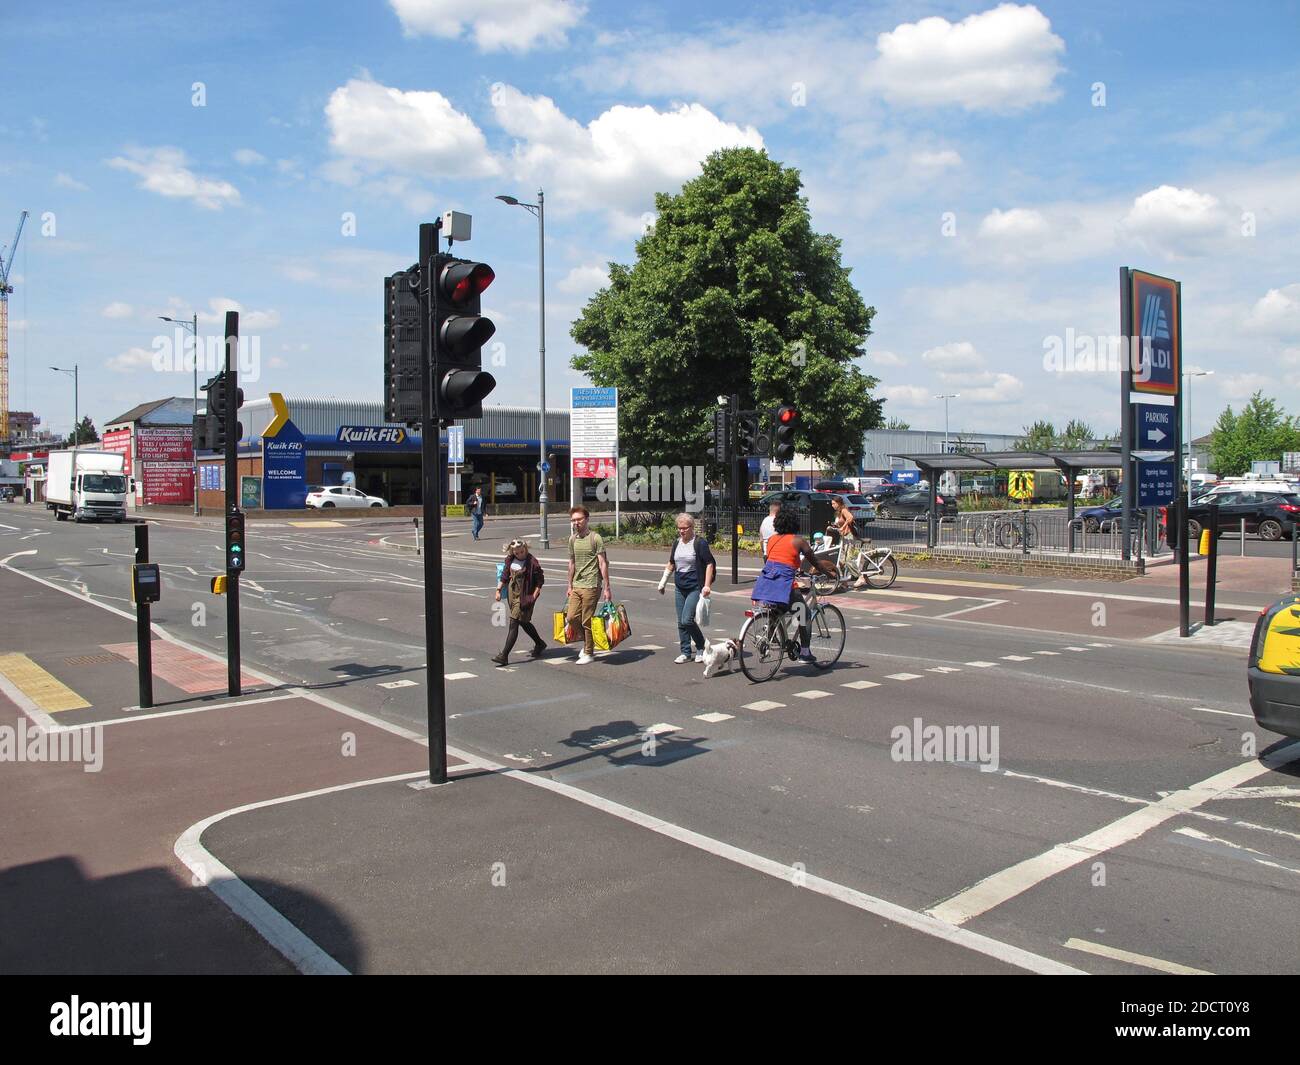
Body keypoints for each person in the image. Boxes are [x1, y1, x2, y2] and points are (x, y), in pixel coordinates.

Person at [750, 506, 838, 662]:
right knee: (804, 614)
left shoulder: (771, 540)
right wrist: (829, 574)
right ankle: (805, 652)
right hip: (784, 585)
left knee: (778, 609)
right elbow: (816, 562)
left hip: (766, 583)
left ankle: (772, 635)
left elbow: (777, 560)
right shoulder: (798, 541)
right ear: (795, 523)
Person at [657, 512, 716, 663]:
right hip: (679, 586)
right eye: (679, 528)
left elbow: (709, 563)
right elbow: (671, 563)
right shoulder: (677, 543)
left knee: (687, 620)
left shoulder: (699, 543)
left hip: (695, 586)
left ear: (692, 527)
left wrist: (707, 586)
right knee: (680, 621)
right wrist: (663, 582)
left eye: (684, 528)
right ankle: (685, 651)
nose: (681, 531)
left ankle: (701, 646)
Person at [565, 505, 611, 664]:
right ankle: (587, 643)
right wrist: (569, 585)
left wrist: (607, 587)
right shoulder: (572, 539)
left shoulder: (595, 538)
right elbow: (572, 563)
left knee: (586, 619)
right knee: (571, 617)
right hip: (577, 584)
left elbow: (603, 563)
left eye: (579, 519)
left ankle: (589, 652)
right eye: (573, 520)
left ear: (587, 519)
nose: (576, 522)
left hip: (592, 584)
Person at [491, 538, 547, 666]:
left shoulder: (532, 562)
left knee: (514, 622)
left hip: (525, 595)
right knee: (523, 622)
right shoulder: (510, 559)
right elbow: (504, 576)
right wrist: (498, 590)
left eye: (522, 552)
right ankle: (539, 643)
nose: (520, 554)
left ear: (525, 549)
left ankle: (504, 655)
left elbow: (540, 580)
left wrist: (534, 596)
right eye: (517, 553)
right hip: (512, 593)